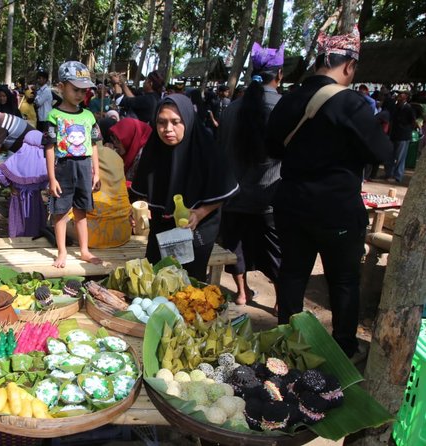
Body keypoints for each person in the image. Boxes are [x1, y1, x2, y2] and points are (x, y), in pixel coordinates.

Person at [265, 26, 393, 358]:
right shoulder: (350, 102)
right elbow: (382, 152)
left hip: (291, 204)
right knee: (344, 281)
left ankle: (288, 342)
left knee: (292, 275)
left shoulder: (288, 99)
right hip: (336, 209)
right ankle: (345, 347)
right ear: (349, 66)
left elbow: (273, 149)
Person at [131, 94, 238, 280]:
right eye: (161, 123)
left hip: (198, 227)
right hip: (161, 226)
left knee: (189, 281)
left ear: (187, 119)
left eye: (175, 122)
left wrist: (199, 213)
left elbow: (223, 190)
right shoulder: (153, 148)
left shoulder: (207, 149)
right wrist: (139, 211)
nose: (167, 129)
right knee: (157, 276)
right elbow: (142, 191)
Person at [219, 42, 284, 305]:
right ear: (279, 75)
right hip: (269, 197)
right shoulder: (284, 107)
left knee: (235, 247)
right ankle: (281, 299)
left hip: (234, 195)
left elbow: (221, 148)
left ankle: (242, 293)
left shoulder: (232, 108)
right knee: (276, 251)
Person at [45, 61, 102, 268]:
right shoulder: (54, 115)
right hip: (63, 168)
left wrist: (97, 172)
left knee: (81, 211)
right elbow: (49, 147)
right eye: (75, 89)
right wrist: (51, 178)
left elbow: (94, 145)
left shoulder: (88, 116)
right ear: (62, 87)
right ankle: (61, 252)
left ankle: (84, 251)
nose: (79, 94)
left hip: (85, 167)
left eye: (83, 90)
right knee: (60, 211)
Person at [70, 143, 132, 249]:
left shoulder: (79, 156)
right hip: (123, 230)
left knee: (58, 217)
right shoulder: (116, 156)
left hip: (92, 235)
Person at [0, 130, 48, 237]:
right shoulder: (43, 158)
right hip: (35, 197)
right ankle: (33, 247)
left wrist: (10, 185)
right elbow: (47, 179)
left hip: (17, 195)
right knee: (35, 224)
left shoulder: (18, 155)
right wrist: (40, 187)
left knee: (17, 221)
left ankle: (17, 244)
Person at [385, 91, 417, 183]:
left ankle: (397, 176)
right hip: (393, 134)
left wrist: (407, 129)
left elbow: (413, 122)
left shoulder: (409, 108)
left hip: (403, 135)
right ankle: (389, 174)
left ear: (406, 98)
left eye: (401, 96)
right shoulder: (396, 107)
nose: (399, 97)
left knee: (400, 157)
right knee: (390, 155)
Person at [108, 117, 152, 182]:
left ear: (129, 138)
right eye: (113, 138)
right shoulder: (128, 151)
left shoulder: (144, 158)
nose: (114, 143)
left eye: (118, 139)